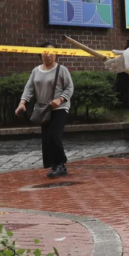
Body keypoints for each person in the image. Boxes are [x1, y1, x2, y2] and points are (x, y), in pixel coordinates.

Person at [16, 43, 74, 178]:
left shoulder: (62, 70)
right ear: (40, 54)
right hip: (43, 108)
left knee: (54, 136)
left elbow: (69, 88)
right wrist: (22, 103)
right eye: (45, 52)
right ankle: (56, 165)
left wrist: (60, 100)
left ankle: (59, 164)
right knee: (47, 139)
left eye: (51, 53)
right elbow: (29, 88)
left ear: (56, 54)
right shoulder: (36, 71)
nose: (48, 55)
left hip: (60, 108)